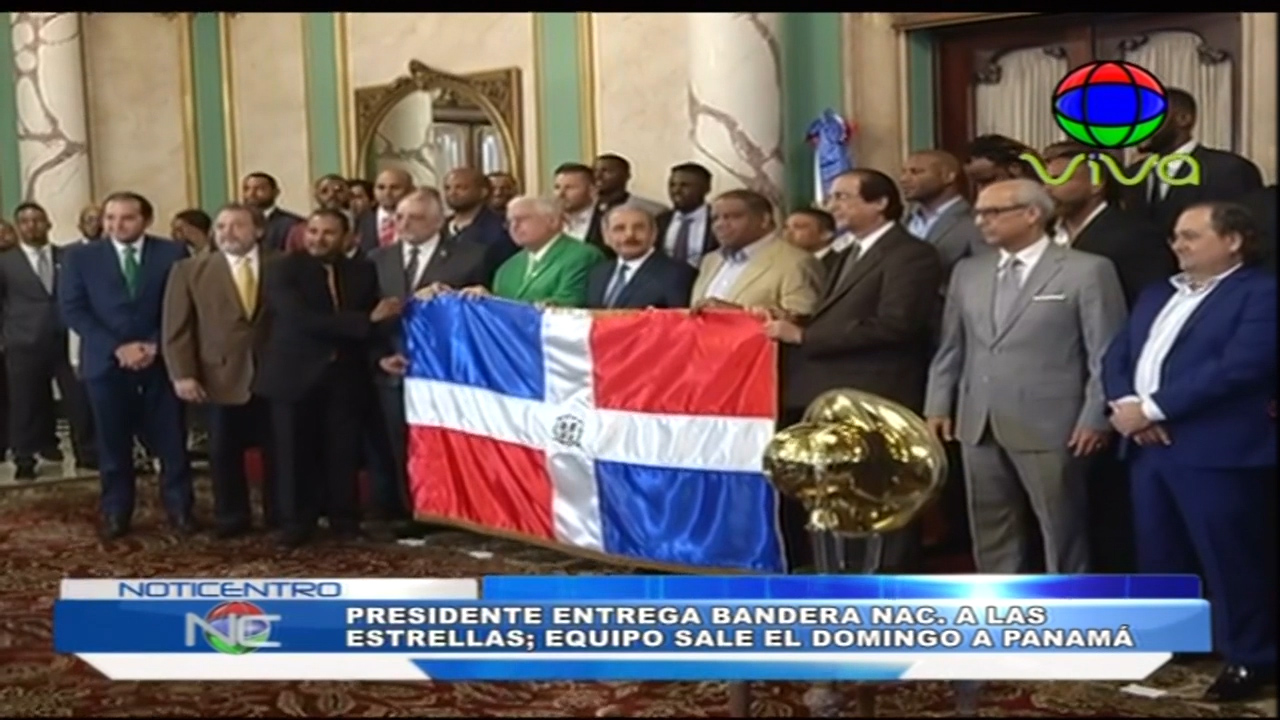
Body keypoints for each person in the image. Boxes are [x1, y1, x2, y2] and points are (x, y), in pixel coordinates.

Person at [1102, 202, 1276, 702]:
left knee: (1232, 559)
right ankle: (1177, 643)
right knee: (1162, 553)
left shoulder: (1261, 292)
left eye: (1191, 236)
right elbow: (1118, 354)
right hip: (1147, 448)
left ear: (1234, 240)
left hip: (1218, 451)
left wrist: (1153, 409)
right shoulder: (1159, 292)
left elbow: (1242, 367)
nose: (1177, 245)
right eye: (1176, 236)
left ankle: (1252, 657)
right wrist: (1128, 405)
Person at [923, 179, 1126, 575]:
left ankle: (1067, 616)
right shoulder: (969, 271)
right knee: (990, 528)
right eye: (979, 212)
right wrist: (938, 403)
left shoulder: (1087, 270)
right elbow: (951, 346)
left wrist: (1096, 416)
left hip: (1054, 424)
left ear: (1033, 214)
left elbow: (1107, 351)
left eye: (993, 212)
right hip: (976, 421)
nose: (980, 221)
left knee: (1061, 529)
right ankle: (1003, 615)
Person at [767, 169, 943, 573]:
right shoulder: (849, 253)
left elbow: (898, 324)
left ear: (880, 203)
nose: (833, 206)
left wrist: (804, 338)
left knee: (881, 501)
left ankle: (888, 594)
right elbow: (840, 317)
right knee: (840, 499)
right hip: (836, 397)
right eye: (833, 197)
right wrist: (797, 321)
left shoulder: (910, 253)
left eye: (844, 197)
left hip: (878, 397)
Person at [253, 208, 401, 548]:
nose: (319, 239)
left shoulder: (363, 270)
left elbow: (376, 327)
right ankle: (295, 523)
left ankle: (344, 519)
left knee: (343, 451)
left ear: (348, 238)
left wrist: (380, 355)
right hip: (293, 374)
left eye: (328, 233)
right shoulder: (282, 268)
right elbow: (300, 319)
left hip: (345, 376)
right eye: (314, 231)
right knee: (291, 452)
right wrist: (365, 320)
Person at [57, 191, 193, 540]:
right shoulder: (79, 258)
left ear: (145, 220)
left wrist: (153, 345)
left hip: (160, 361)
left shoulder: (172, 253)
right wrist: (119, 347)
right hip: (105, 363)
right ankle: (117, 511)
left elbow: (179, 306)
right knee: (113, 444)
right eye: (111, 218)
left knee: (171, 441)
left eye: (126, 218)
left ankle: (180, 509)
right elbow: (74, 310)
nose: (117, 225)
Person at [371, 189, 488, 531]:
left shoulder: (471, 257)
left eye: (416, 218)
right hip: (392, 364)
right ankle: (399, 507)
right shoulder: (378, 258)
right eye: (400, 217)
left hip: (445, 373)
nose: (405, 224)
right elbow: (366, 313)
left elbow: (479, 318)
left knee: (439, 445)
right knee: (392, 441)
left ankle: (437, 510)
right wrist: (379, 356)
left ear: (439, 221)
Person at [161, 203, 276, 538]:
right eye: (222, 226)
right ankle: (232, 517)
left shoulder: (282, 265)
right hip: (219, 376)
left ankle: (281, 517)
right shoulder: (189, 270)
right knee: (224, 452)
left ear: (257, 230)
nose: (227, 233)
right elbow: (177, 329)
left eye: (237, 226)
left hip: (274, 376)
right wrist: (182, 374)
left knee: (281, 451)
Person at [0, 202, 97, 478]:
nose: (32, 226)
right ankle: (24, 456)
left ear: (48, 224)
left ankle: (88, 452)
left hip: (68, 341)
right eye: (26, 221)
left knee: (80, 399)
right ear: (19, 227)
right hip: (23, 342)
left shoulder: (68, 256)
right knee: (25, 402)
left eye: (37, 220)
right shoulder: (6, 262)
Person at [458, 195, 602, 307]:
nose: (514, 227)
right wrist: (486, 301)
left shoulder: (581, 257)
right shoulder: (507, 267)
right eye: (510, 222)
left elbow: (566, 305)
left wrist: (497, 303)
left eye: (521, 219)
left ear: (552, 221)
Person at [585, 205, 696, 309]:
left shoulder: (678, 274)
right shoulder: (598, 273)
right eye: (619, 228)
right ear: (606, 237)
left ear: (654, 234)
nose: (630, 234)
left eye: (639, 228)